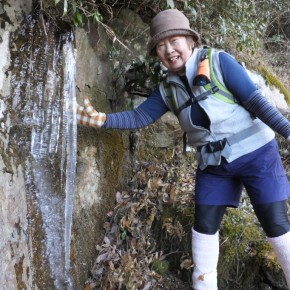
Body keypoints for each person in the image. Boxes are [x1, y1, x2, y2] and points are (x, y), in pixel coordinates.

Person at [77, 9, 290, 290]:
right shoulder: (168, 88)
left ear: (190, 41)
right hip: (215, 165)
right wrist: (102, 120)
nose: (169, 50)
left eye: (174, 40)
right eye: (161, 46)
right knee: (203, 229)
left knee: (276, 226)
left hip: (257, 155)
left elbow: (257, 103)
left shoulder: (218, 62)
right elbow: (140, 117)